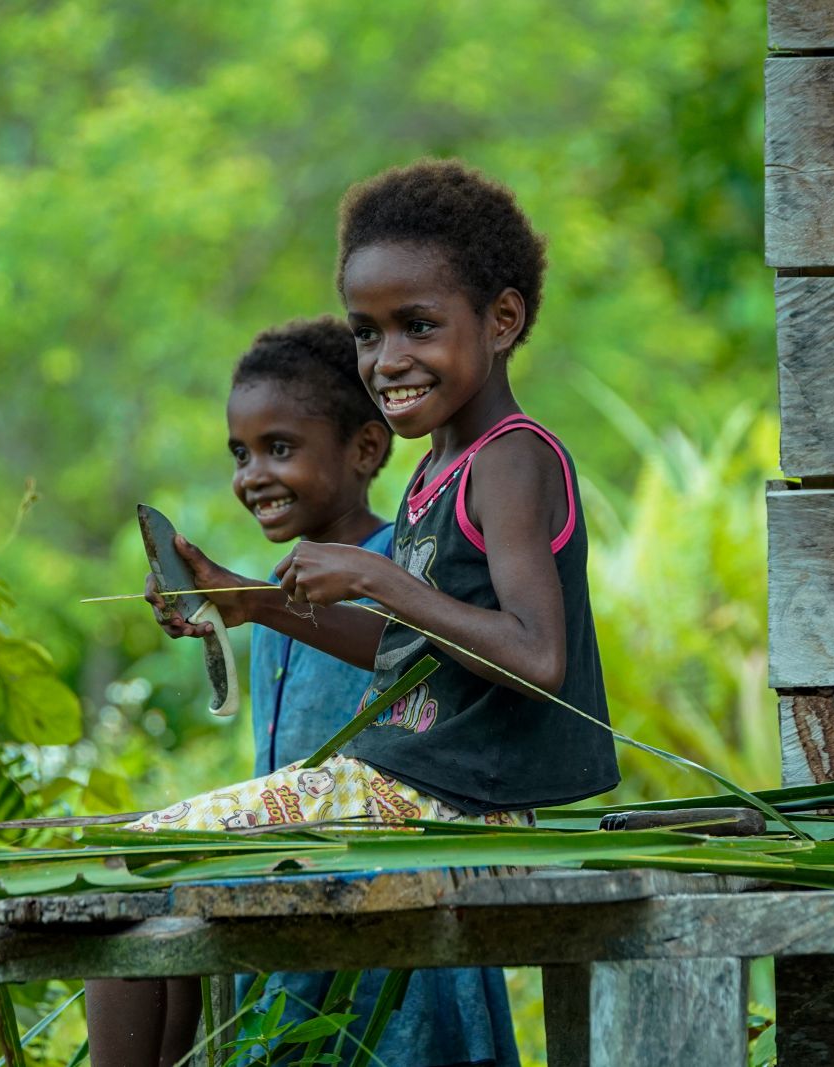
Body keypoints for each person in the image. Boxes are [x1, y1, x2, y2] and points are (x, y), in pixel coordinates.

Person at [134, 159, 620, 1062]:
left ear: (502, 321)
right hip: (419, 791)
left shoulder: (512, 460)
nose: (387, 360)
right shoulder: (438, 470)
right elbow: (413, 649)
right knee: (149, 863)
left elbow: (538, 655)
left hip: (468, 804)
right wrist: (246, 600)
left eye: (418, 326)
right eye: (367, 333)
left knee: (136, 854)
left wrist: (379, 574)